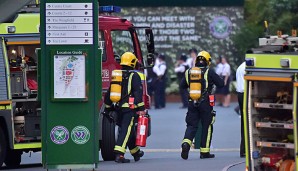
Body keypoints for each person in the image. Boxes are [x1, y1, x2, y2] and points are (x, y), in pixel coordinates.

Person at [180, 51, 224, 160]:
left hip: (192, 102)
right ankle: (204, 152)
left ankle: (186, 143)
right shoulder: (209, 72)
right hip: (205, 103)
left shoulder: (188, 72)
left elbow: (182, 86)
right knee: (206, 126)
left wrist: (191, 95)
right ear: (208, 61)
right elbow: (221, 84)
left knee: (191, 126)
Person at [103, 52, 146, 163]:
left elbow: (109, 93)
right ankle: (119, 154)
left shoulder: (117, 75)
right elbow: (138, 93)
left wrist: (108, 108)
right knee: (126, 130)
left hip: (117, 108)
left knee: (129, 130)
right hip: (129, 109)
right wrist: (141, 109)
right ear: (133, 62)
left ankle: (136, 152)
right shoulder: (134, 75)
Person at [236, 61, 246, 158]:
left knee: (244, 121)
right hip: (245, 93)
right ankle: (244, 149)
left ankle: (243, 150)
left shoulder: (240, 66)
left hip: (239, 93)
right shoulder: (247, 67)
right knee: (247, 122)